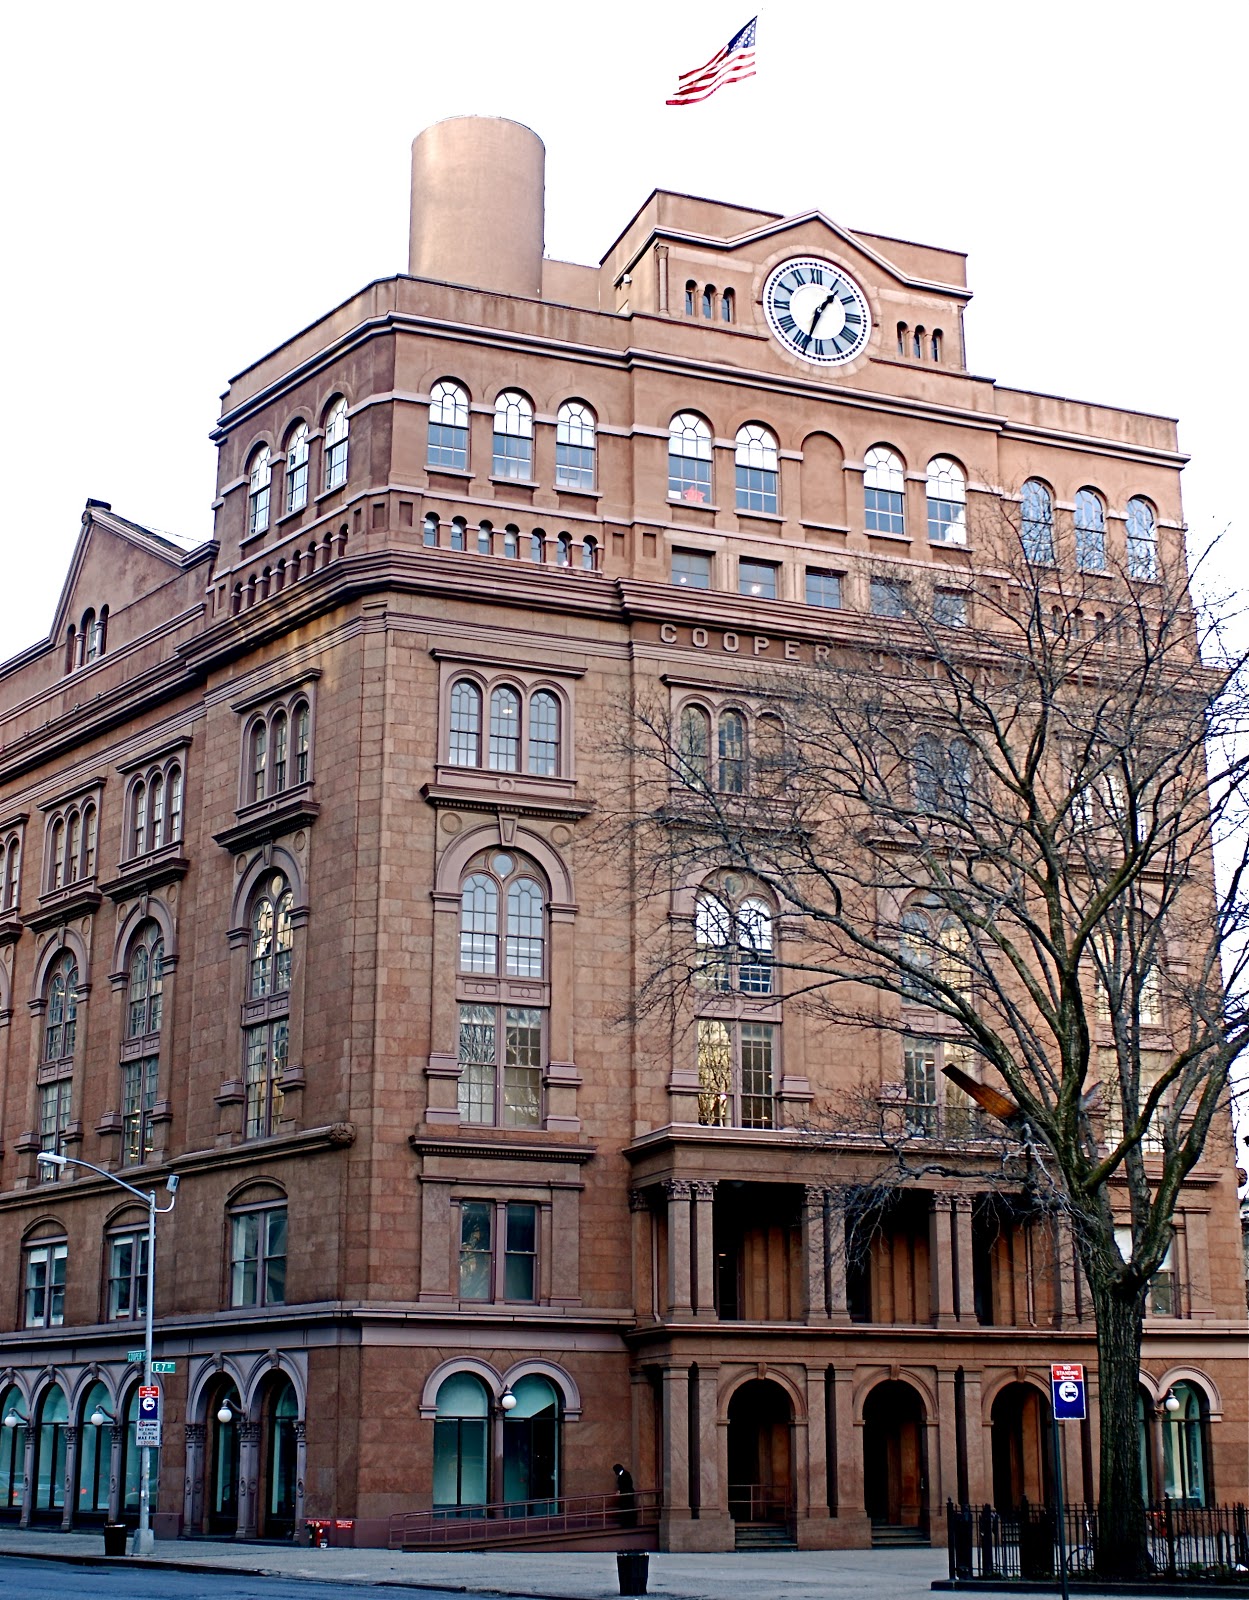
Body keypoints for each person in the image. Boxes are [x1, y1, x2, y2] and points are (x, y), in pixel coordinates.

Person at [613, 1462, 637, 1528]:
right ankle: (628, 1522)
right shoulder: (625, 1474)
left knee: (627, 1509)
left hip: (627, 1496)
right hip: (627, 1495)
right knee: (628, 1509)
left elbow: (625, 1485)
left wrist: (620, 1491)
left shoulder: (624, 1475)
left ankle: (628, 1523)